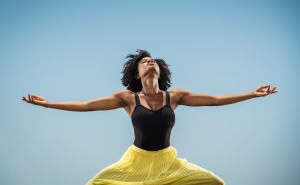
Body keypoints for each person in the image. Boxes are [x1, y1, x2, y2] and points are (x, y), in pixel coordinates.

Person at [22, 49, 278, 185]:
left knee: (214, 182)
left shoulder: (174, 97)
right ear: (136, 73)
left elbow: (215, 100)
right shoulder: (127, 98)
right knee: (95, 184)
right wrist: (48, 105)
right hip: (135, 162)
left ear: (160, 69)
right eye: (145, 61)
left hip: (168, 161)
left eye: (153, 60)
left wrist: (251, 94)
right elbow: (86, 105)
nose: (150, 61)